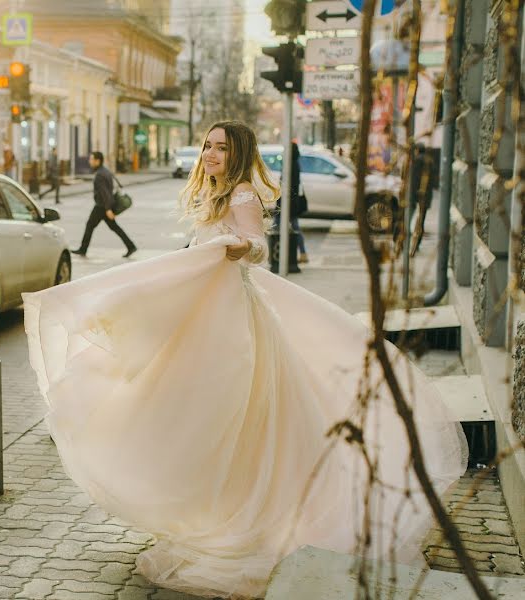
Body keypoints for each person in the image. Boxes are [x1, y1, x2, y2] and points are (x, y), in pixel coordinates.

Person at [23, 120, 467, 599]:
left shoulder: (241, 196)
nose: (210, 155)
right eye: (208, 147)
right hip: (206, 315)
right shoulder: (213, 194)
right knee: (188, 409)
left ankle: (251, 514)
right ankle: (210, 507)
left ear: (238, 155)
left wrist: (235, 247)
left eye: (220, 148)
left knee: (240, 413)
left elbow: (257, 249)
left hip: (234, 321)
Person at [72, 151, 137, 258]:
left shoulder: (100, 175)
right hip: (105, 205)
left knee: (90, 225)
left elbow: (105, 193)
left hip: (101, 206)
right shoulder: (105, 171)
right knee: (114, 227)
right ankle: (130, 246)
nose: (90, 161)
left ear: (97, 161)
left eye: (91, 159)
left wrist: (108, 209)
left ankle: (83, 249)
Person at [272, 141, 308, 263]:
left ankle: (277, 252)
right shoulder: (294, 163)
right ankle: (302, 253)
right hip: (291, 202)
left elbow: (286, 186)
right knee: (293, 226)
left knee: (279, 225)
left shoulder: (290, 165)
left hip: (287, 202)